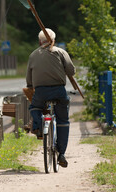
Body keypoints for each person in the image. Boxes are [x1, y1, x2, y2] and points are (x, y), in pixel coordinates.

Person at [25, 28, 75, 168]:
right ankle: (62, 154)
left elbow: (29, 79)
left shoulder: (33, 55)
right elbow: (71, 71)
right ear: (53, 40)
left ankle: (38, 124)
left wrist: (30, 86)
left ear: (40, 41)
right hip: (59, 91)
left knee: (35, 107)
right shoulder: (60, 52)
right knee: (63, 120)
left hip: (41, 92)